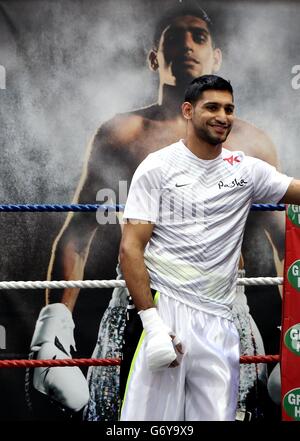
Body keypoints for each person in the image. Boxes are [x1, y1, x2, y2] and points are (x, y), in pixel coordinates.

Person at [28, 1, 284, 421]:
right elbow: (77, 234)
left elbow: (285, 242)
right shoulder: (122, 134)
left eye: (198, 35)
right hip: (139, 305)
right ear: (154, 56)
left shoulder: (251, 144)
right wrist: (53, 330)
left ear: (215, 56)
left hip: (221, 305)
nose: (186, 44)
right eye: (173, 36)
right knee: (134, 420)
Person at [119, 74, 296, 421]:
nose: (223, 116)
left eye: (229, 109)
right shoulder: (157, 167)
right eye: (212, 107)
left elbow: (295, 189)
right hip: (164, 309)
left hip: (218, 318)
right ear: (188, 111)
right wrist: (152, 325)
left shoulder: (245, 169)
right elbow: (130, 249)